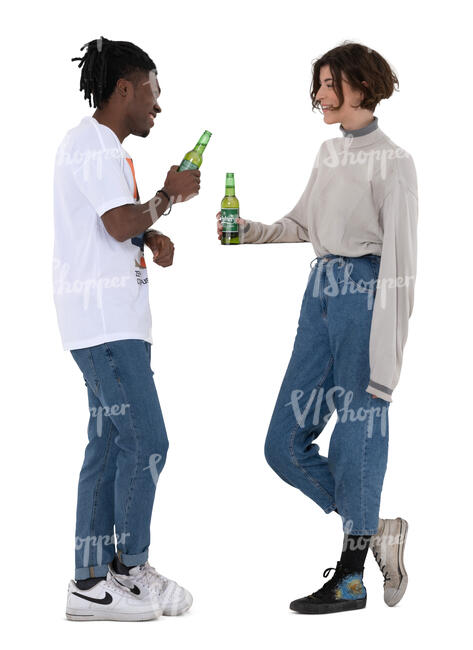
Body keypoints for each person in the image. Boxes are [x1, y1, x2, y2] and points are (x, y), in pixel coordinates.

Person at [216, 41, 416, 614]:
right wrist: (248, 231)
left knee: (358, 431)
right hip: (319, 295)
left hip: (365, 294)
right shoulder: (329, 154)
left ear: (361, 85)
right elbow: (301, 223)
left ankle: (351, 579)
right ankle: (376, 529)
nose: (320, 95)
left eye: (330, 83)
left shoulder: (394, 161)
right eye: (319, 84)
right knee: (283, 444)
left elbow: (402, 263)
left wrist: (388, 359)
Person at [53, 36, 200, 621]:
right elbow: (116, 222)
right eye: (152, 92)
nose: (157, 106)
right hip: (106, 327)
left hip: (108, 323)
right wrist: (167, 197)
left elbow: (116, 228)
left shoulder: (100, 150)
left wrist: (149, 234)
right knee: (147, 441)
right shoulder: (93, 146)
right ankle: (130, 569)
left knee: (109, 445)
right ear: (124, 88)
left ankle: (89, 584)